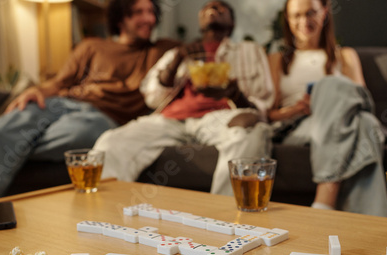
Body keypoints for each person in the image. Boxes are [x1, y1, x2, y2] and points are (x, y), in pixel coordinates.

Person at [0, 0, 179, 208]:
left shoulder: (162, 50)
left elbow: (196, 54)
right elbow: (59, 82)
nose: (148, 18)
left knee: (76, 136)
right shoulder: (91, 46)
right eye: (139, 12)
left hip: (102, 117)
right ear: (121, 18)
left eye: (151, 12)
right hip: (62, 103)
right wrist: (37, 90)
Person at [93, 0, 274, 196]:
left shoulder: (249, 51)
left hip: (220, 117)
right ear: (199, 21)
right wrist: (177, 59)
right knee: (111, 141)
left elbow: (263, 102)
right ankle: (104, 214)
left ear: (232, 24)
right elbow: (151, 97)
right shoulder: (177, 52)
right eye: (206, 8)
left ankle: (227, 218)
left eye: (220, 8)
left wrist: (234, 94)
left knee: (252, 131)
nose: (212, 10)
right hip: (171, 120)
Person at [267, 0, 387, 216]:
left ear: (324, 12)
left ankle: (355, 224)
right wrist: (296, 108)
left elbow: (361, 100)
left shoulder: (346, 55)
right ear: (287, 18)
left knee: (365, 122)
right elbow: (269, 113)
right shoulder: (277, 60)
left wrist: (326, 99)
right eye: (296, 15)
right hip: (298, 127)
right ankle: (331, 202)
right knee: (358, 116)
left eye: (311, 13)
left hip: (344, 122)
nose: (304, 21)